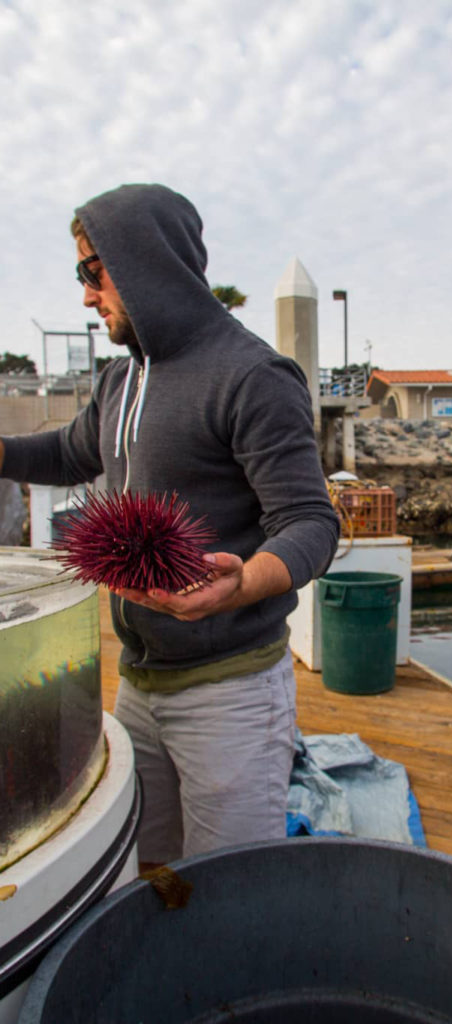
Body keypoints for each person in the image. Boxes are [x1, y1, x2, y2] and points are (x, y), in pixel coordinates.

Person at [0, 184, 340, 868]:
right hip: (139, 680)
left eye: (91, 272)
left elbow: (309, 523)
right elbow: (73, 453)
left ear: (142, 261)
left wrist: (242, 583)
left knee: (228, 881)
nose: (86, 296)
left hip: (232, 689)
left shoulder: (252, 376)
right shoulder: (120, 381)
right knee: (144, 861)